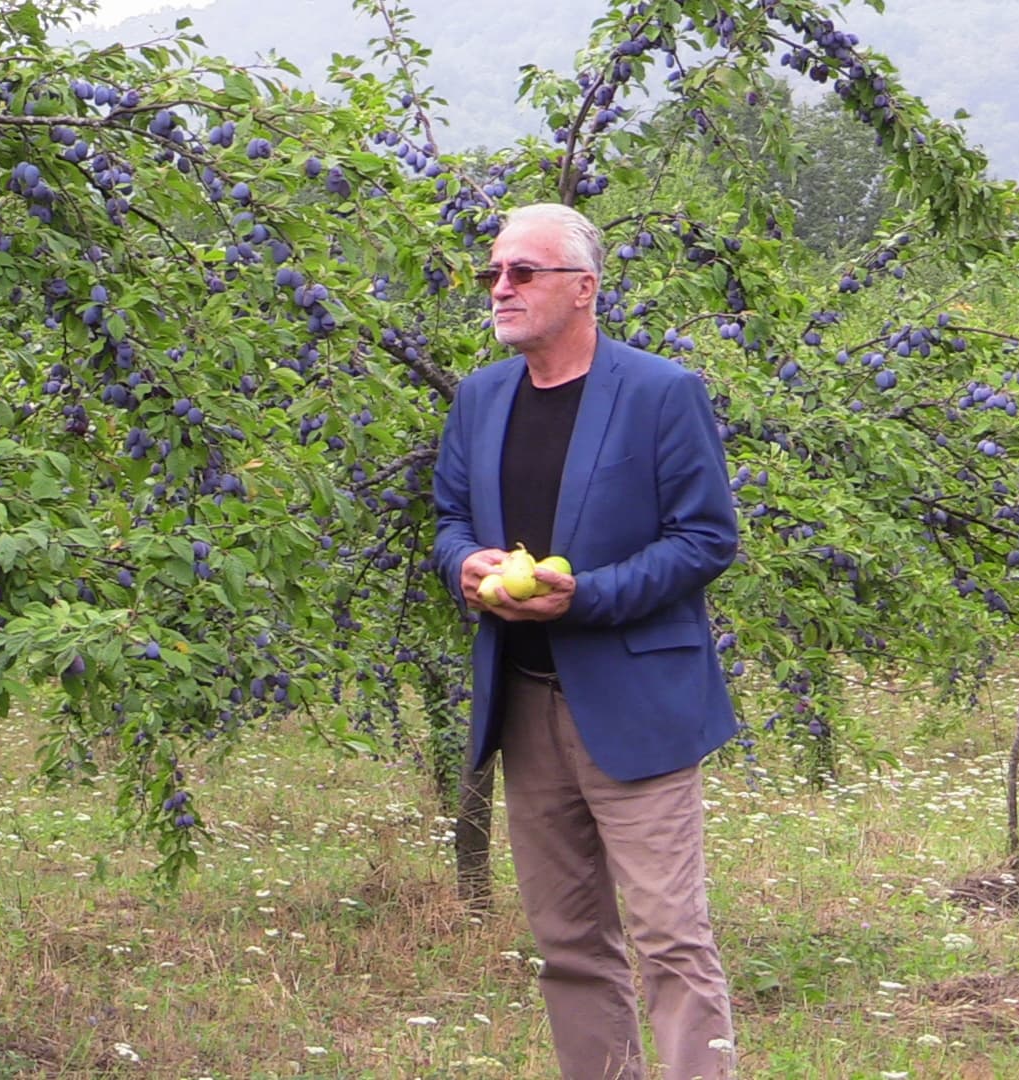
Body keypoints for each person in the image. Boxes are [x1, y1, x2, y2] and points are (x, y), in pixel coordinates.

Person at [430, 203, 740, 1080]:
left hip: (635, 704)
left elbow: (705, 538)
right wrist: (465, 564)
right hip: (523, 703)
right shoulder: (481, 397)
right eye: (495, 272)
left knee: (671, 940)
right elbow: (451, 518)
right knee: (568, 942)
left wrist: (586, 598)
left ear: (584, 288)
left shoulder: (660, 392)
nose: (501, 288)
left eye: (523, 272)